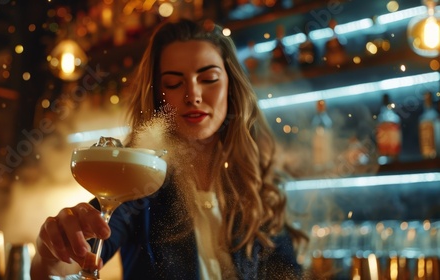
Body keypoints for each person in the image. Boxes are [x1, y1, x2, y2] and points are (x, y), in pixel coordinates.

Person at [31, 18, 308, 280]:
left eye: (209, 78)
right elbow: (68, 260)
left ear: (232, 88)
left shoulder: (255, 184)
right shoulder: (139, 179)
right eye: (174, 83)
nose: (193, 95)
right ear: (156, 98)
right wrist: (50, 253)